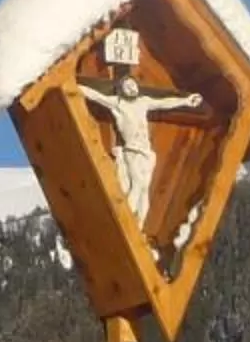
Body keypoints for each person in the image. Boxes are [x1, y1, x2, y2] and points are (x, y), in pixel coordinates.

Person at [80, 53, 205, 231]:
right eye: (127, 85)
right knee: (137, 183)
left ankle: (139, 225)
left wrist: (185, 100)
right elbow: (96, 96)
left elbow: (164, 103)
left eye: (133, 84)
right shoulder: (118, 103)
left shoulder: (143, 102)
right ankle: (126, 221)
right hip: (132, 149)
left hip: (146, 151)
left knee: (144, 188)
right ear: (122, 89)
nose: (132, 87)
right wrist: (75, 86)